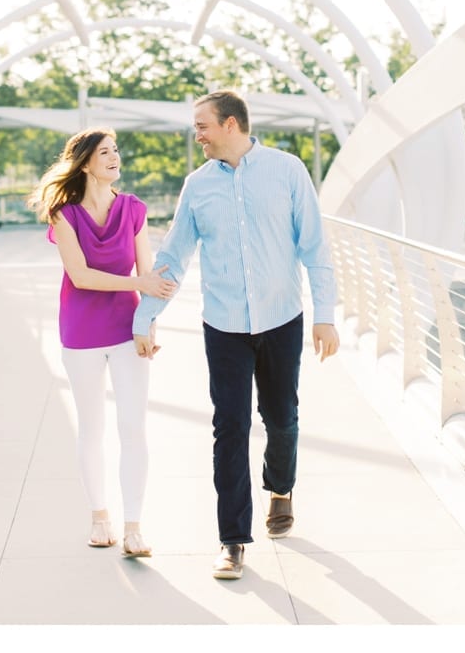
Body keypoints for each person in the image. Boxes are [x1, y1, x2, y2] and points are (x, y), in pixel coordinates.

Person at [131, 89, 340, 581]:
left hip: (282, 318)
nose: (196, 134)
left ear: (231, 125)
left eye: (202, 125)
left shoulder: (287, 170)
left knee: (281, 418)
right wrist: (146, 317)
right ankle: (232, 540)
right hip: (223, 325)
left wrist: (324, 314)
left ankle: (280, 488)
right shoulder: (197, 186)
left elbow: (315, 244)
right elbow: (172, 258)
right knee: (229, 427)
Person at [28, 128, 178, 559]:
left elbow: (149, 271)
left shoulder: (133, 209)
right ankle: (100, 518)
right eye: (105, 152)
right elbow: (81, 276)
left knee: (133, 428)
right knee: (91, 428)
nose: (114, 158)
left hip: (128, 330)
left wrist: (149, 326)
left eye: (116, 151)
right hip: (81, 333)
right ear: (85, 162)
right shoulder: (64, 214)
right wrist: (138, 282)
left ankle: (134, 528)